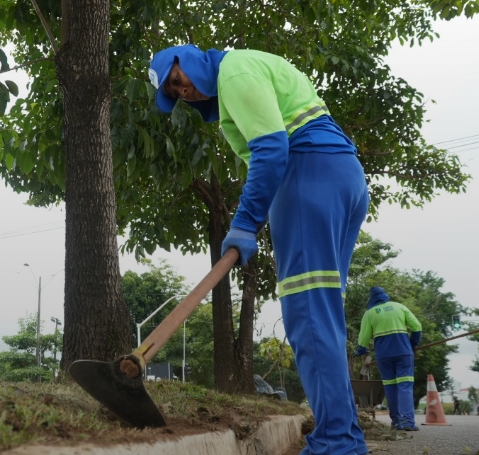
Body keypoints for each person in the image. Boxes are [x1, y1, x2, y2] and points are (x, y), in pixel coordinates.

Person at [149, 45, 369, 454]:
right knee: (323, 313)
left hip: (309, 172)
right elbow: (268, 155)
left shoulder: (233, 74)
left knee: (307, 314)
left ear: (189, 59)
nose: (185, 92)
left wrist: (245, 221)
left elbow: (270, 151)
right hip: (340, 175)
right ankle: (344, 436)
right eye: (176, 94)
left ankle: (337, 444)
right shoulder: (244, 70)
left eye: (179, 80)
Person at [355, 286, 423, 430]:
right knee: (405, 386)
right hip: (403, 353)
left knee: (391, 387)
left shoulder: (370, 313)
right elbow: (417, 326)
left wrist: (361, 349)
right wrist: (412, 344)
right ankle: (408, 422)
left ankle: (397, 422)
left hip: (384, 356)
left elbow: (363, 338)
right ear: (385, 295)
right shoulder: (399, 307)